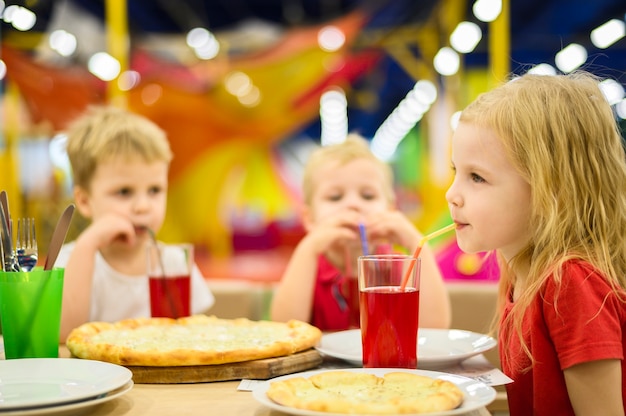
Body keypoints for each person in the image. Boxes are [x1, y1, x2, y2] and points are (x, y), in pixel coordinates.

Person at [446, 72, 626, 415]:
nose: (451, 194)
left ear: (551, 190)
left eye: (477, 177)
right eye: (456, 170)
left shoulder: (569, 284)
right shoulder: (518, 273)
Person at [56, 106, 214, 340]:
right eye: (124, 192)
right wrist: (88, 244)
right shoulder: (73, 260)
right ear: (85, 200)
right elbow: (64, 336)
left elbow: (199, 334)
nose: (143, 206)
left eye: (154, 190)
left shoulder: (174, 263)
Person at [270, 134, 451, 331]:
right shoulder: (307, 267)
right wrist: (308, 248)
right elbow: (284, 329)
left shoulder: (397, 266)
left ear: (390, 210)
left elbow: (435, 327)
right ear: (309, 218)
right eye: (335, 197)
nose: (353, 204)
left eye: (367, 195)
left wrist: (415, 242)